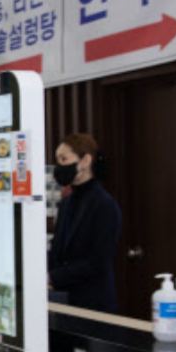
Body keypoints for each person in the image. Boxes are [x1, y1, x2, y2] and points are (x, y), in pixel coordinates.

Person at [47, 132, 122, 313]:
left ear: (85, 161)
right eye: (57, 161)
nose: (59, 166)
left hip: (94, 305)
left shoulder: (104, 205)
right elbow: (58, 249)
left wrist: (52, 277)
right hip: (65, 302)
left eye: (64, 159)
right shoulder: (66, 203)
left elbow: (98, 261)